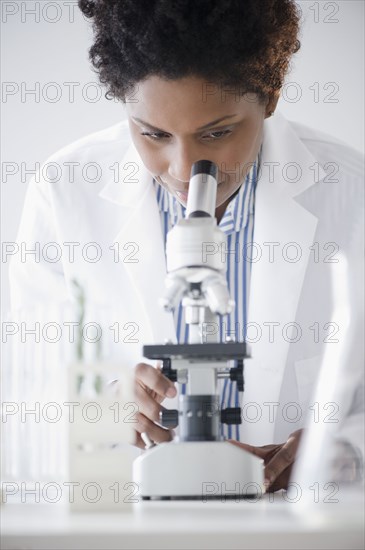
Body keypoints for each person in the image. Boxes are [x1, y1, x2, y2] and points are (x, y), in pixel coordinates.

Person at [9, 0, 364, 491]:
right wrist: (107, 412)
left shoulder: (352, 192)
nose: (183, 168)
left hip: (299, 525)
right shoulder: (65, 191)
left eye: (217, 133)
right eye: (153, 134)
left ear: (272, 96)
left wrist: (343, 449)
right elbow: (25, 401)